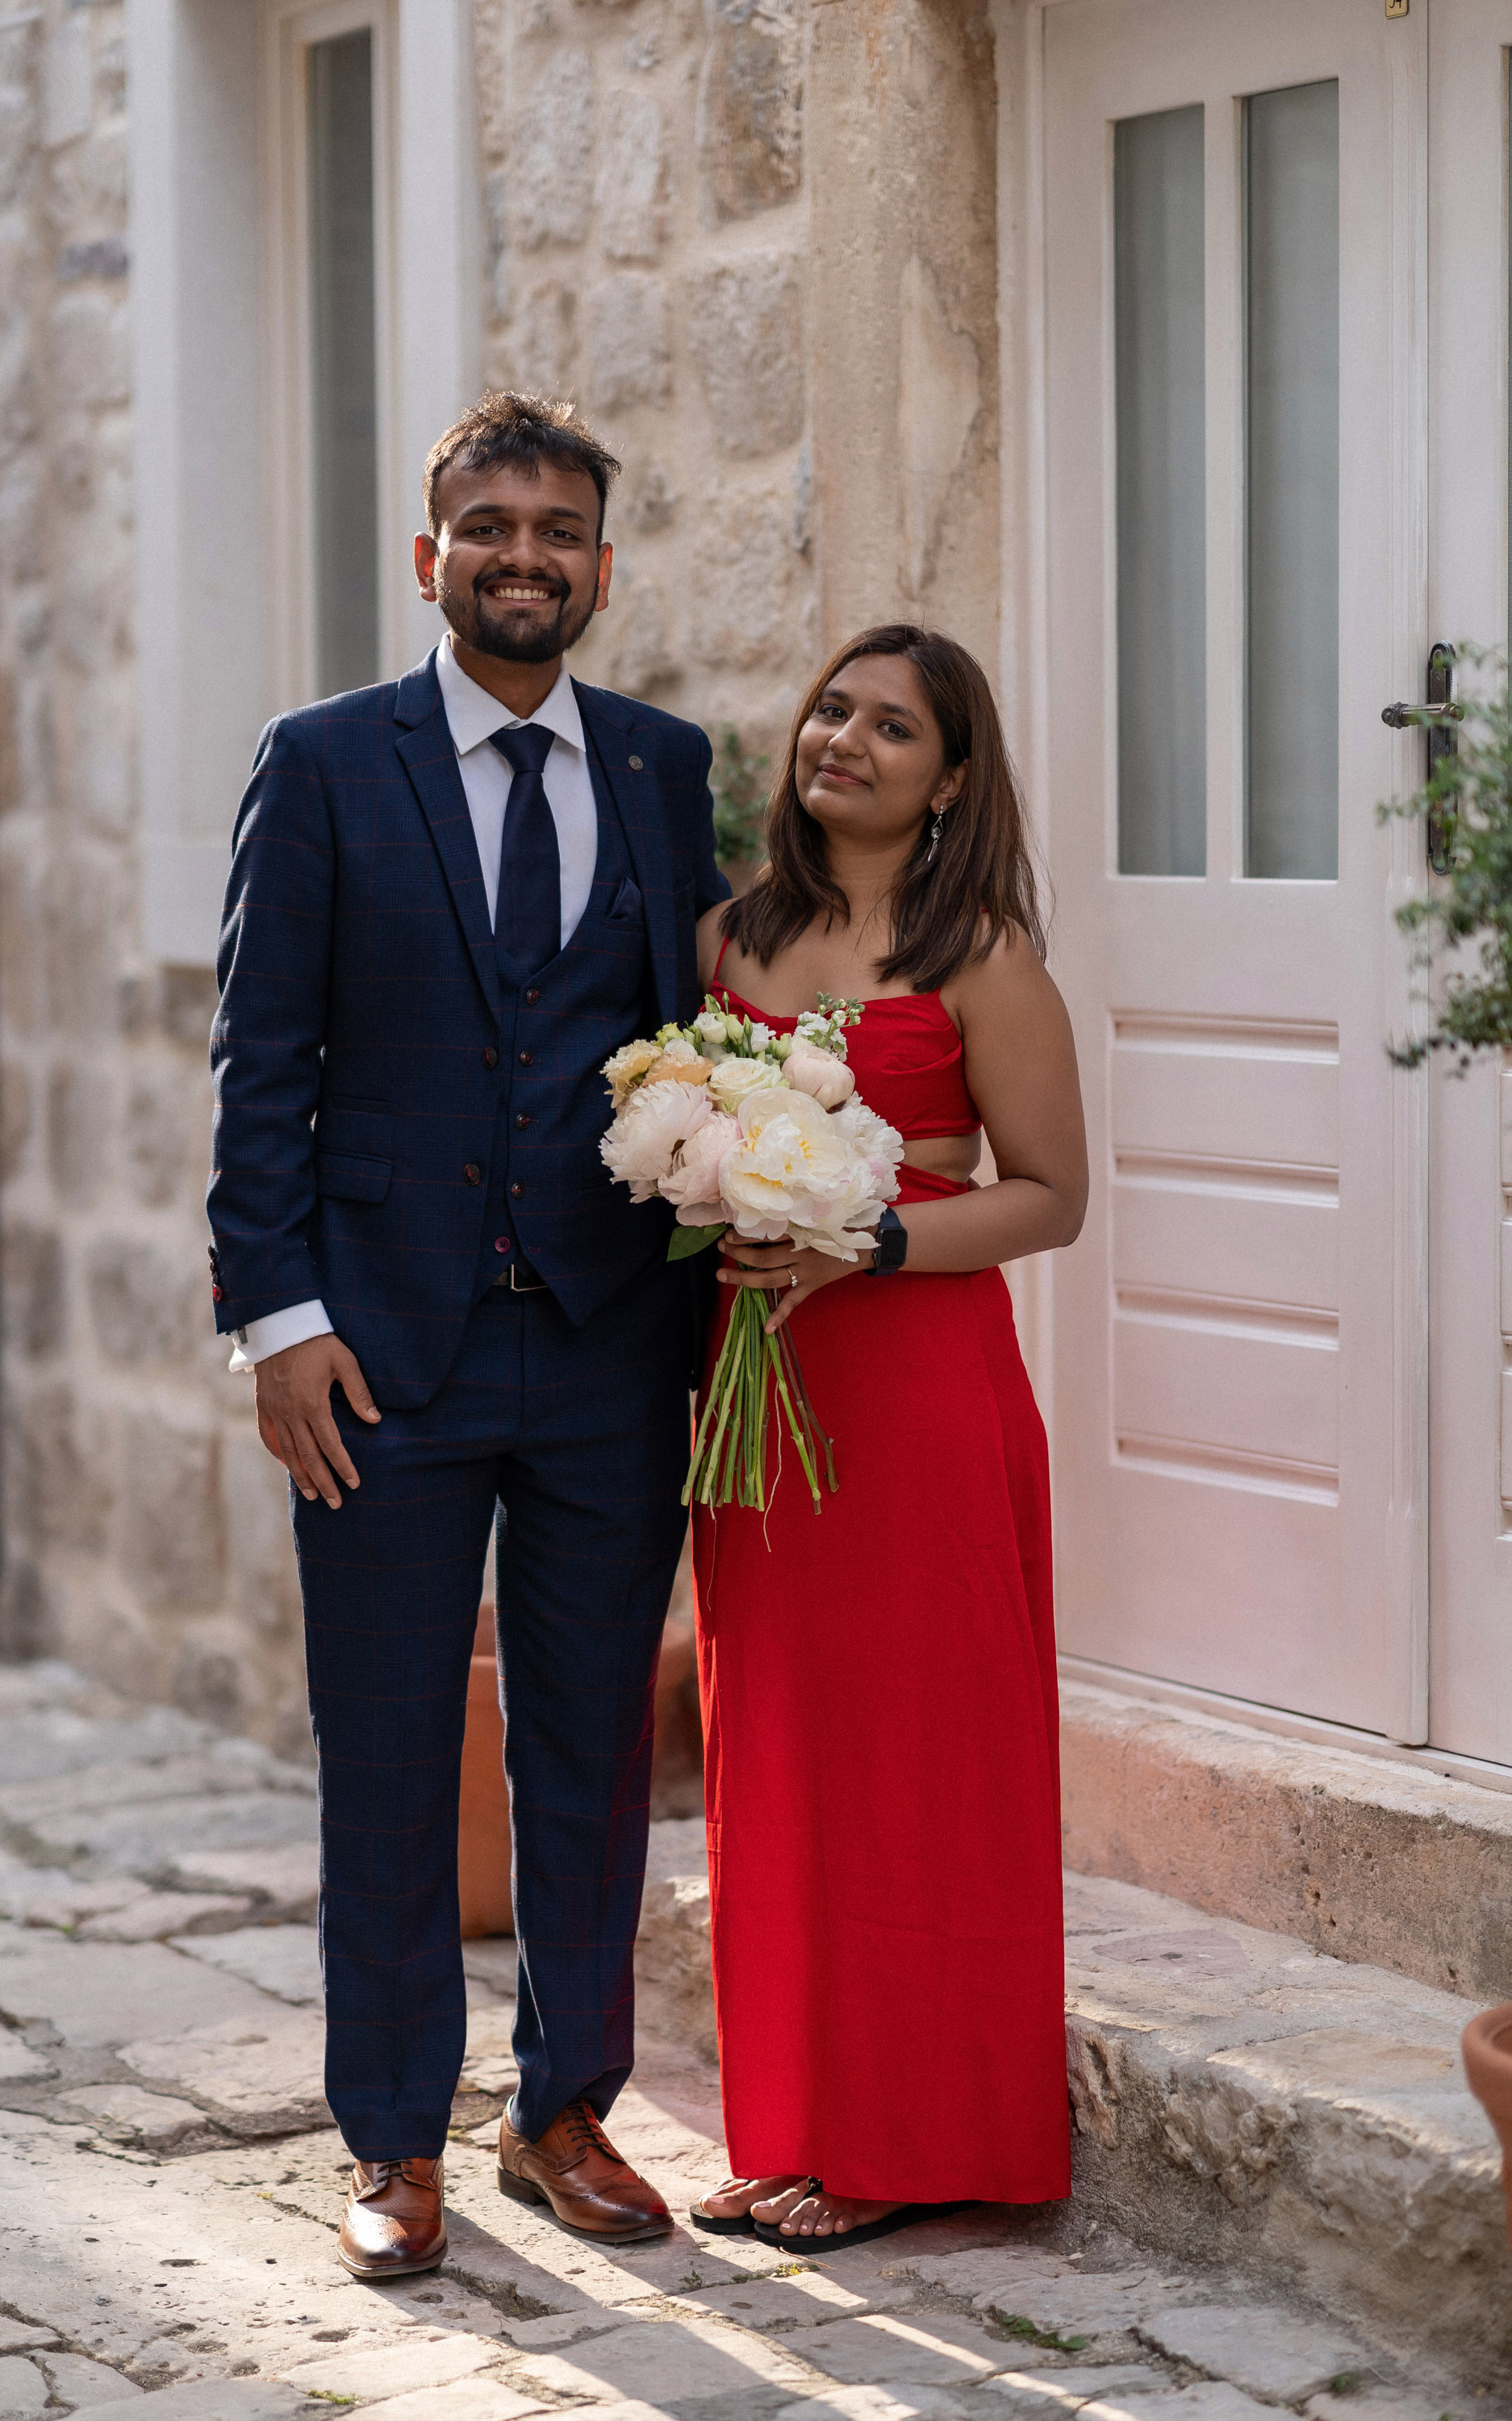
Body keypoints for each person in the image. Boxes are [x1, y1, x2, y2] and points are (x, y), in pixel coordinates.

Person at [207, 393, 729, 2281]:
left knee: (592, 1743)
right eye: (488, 525)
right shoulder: (327, 761)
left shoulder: (670, 772)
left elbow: (705, 1042)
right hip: (381, 1357)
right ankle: (389, 2142)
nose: (526, 555)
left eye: (560, 528)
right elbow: (263, 1062)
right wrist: (277, 1321)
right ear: (428, 559)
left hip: (606, 1348)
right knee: (389, 1749)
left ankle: (565, 2108)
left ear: (600, 563)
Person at [688, 624, 1088, 2248]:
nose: (843, 739)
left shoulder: (980, 951)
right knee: (776, 1744)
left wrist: (875, 1240)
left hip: (918, 1383)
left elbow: (1053, 1194)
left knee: (923, 1757)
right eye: (830, 709)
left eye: (893, 726)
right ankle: (789, 2116)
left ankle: (913, 2135)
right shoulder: (727, 936)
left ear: (952, 779)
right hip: (755, 1396)